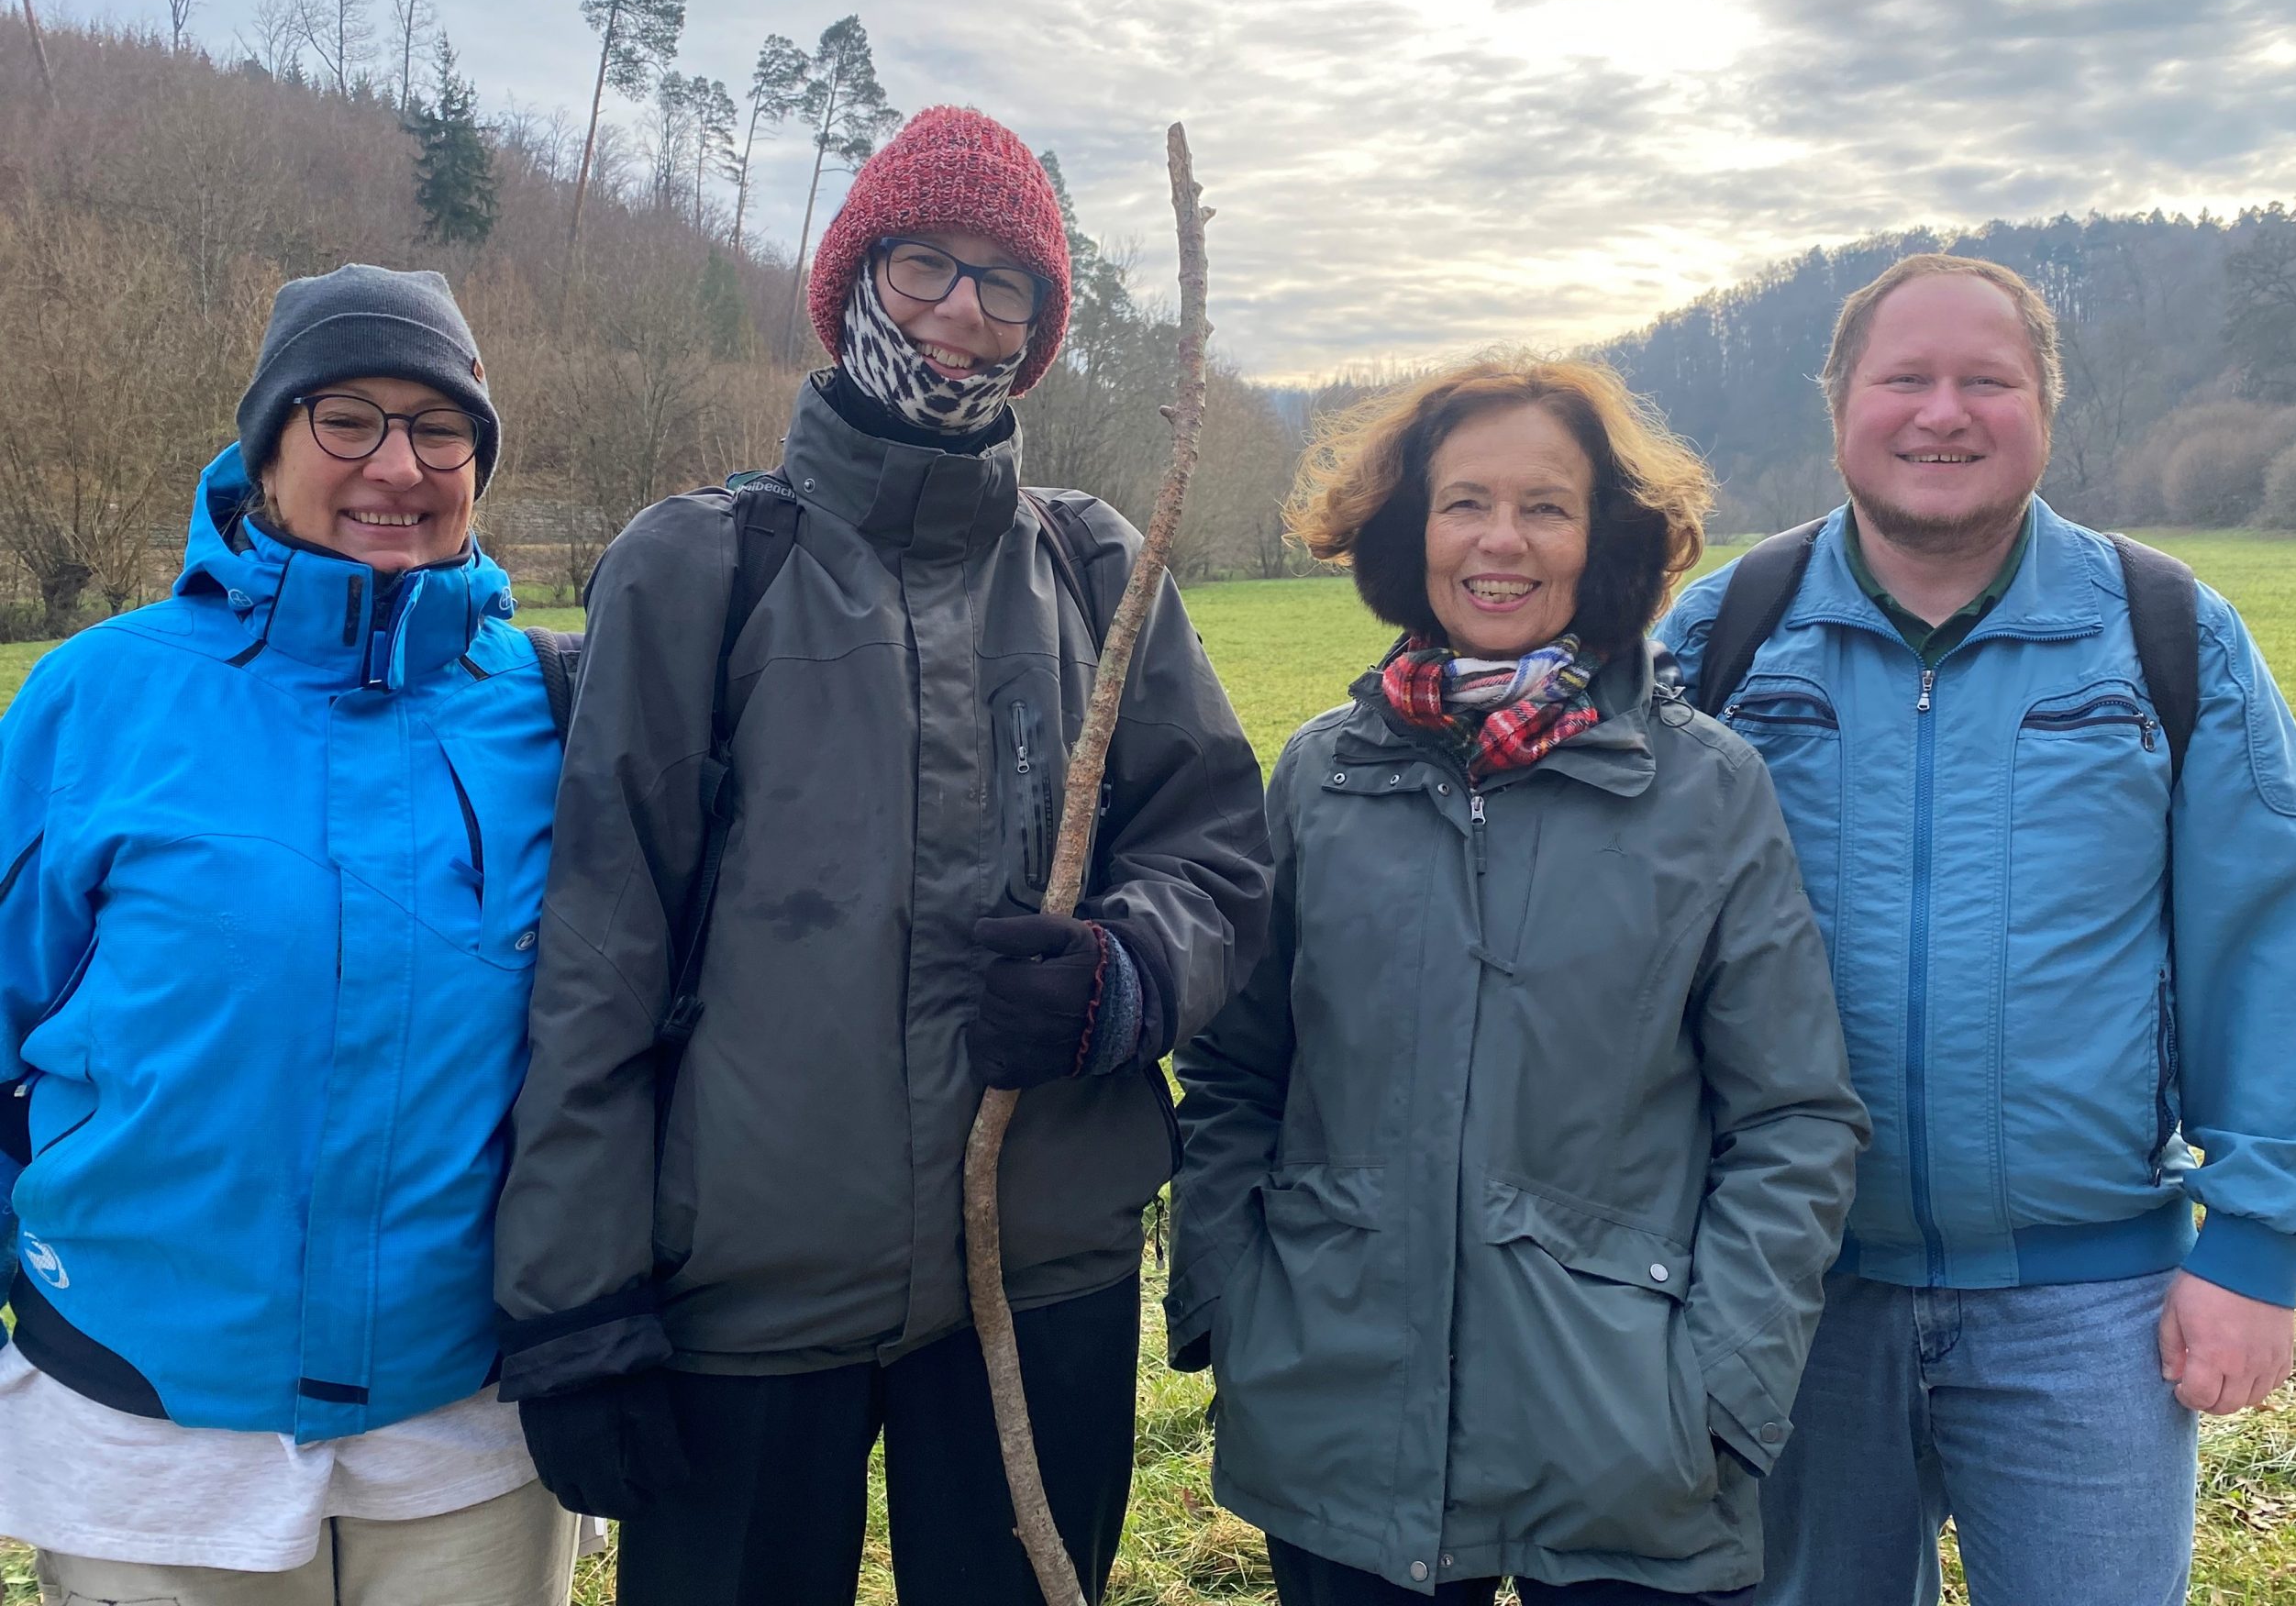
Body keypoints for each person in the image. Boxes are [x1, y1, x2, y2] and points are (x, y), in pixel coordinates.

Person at [492, 105, 1273, 1606]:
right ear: (855, 278)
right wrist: (575, 1306)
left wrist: (1123, 977)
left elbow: (1221, 857)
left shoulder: (1097, 566)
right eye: (926, 265)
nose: (962, 311)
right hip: (743, 1294)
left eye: (1007, 283)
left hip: (1038, 1271)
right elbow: (598, 950)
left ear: (1039, 327)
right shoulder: (699, 566)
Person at [1659, 252, 2296, 1606]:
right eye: (1903, 378)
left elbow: (2276, 940)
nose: (1943, 412)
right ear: (1838, 402)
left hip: (2090, 1309)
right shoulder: (1724, 634)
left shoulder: (2166, 633)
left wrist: (2257, 1243)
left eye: (1989, 379)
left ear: (2046, 406)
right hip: (1785, 1291)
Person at [1169, 356, 1869, 1606]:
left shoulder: (1706, 790)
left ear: (1606, 538)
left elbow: (1794, 1118)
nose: (1502, 541)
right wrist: (1234, 1308)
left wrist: (1718, 1393)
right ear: (1411, 530)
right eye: (1465, 503)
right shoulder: (1322, 779)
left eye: (1546, 506)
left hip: (1625, 1443)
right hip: (1337, 1422)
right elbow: (1235, 1072)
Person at [0, 264, 579, 1604]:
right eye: (347, 419)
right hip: (150, 1430)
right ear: (266, 450)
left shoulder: (558, 712)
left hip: (467, 1427)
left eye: (441, 430)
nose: (399, 466)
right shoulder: (99, 698)